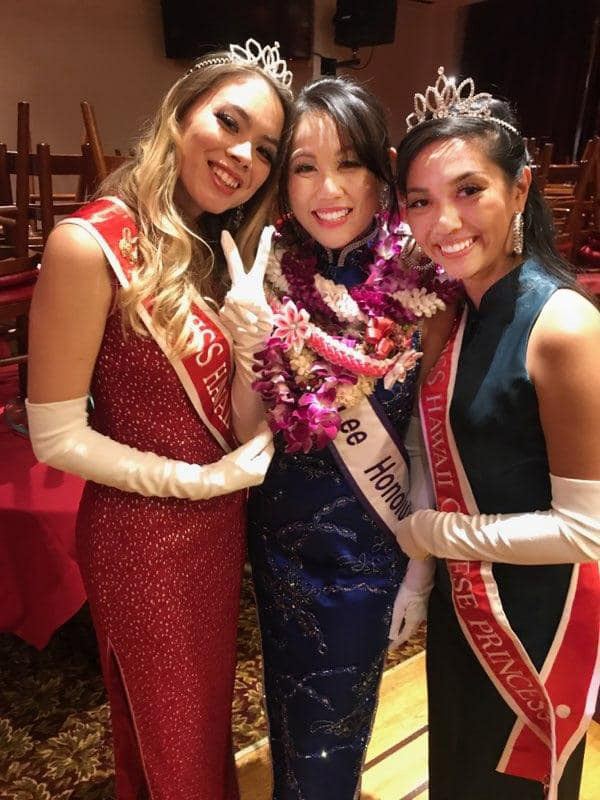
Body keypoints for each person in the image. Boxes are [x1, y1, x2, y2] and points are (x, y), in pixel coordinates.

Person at [25, 41, 293, 800]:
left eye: (265, 149)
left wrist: (251, 353)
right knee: (171, 737)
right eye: (229, 122)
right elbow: (54, 436)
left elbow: (227, 422)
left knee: (195, 726)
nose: (243, 156)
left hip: (215, 526)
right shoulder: (88, 245)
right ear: (179, 114)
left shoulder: (211, 245)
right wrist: (197, 482)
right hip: (143, 538)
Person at [233, 76, 457, 800]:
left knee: (340, 717)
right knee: (287, 702)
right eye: (304, 166)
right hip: (279, 541)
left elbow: (430, 441)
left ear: (382, 170)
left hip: (372, 546)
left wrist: (419, 573)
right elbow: (244, 435)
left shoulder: (424, 283)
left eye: (349, 163)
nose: (327, 190)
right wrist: (247, 343)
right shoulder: (265, 272)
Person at [394, 67, 600, 800]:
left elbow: (587, 531)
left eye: (468, 190)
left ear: (520, 190)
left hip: (536, 622)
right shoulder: (458, 311)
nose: (443, 222)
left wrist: (432, 533)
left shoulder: (564, 326)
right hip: (465, 605)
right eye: (420, 200)